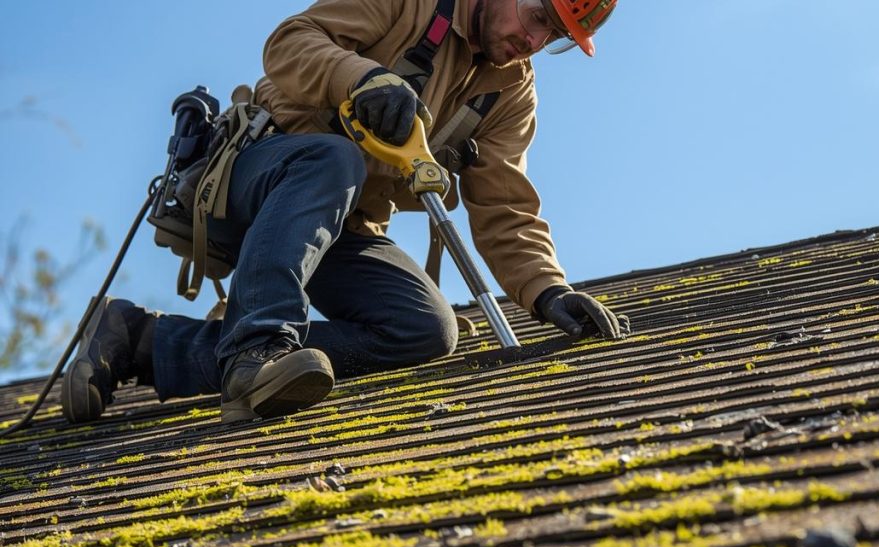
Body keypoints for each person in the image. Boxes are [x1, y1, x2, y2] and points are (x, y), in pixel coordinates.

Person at [61, 0, 627, 425]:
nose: (532, 39)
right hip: (253, 176)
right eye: (535, 16)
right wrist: (360, 78)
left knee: (425, 329)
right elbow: (289, 43)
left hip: (342, 224)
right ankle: (256, 347)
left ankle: (140, 341)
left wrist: (548, 292)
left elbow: (504, 201)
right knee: (334, 159)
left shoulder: (510, 92)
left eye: (552, 35)